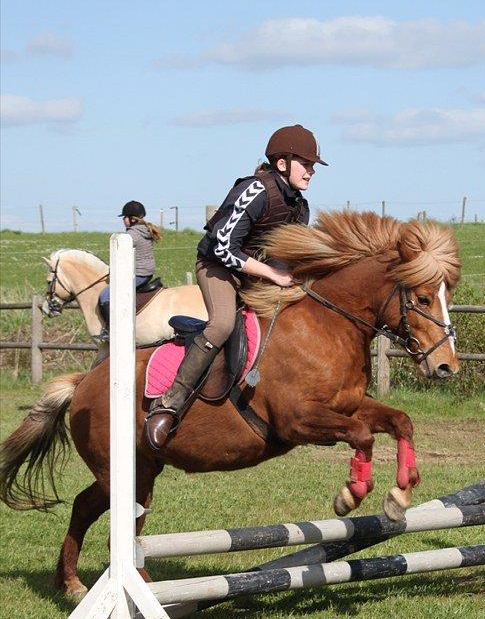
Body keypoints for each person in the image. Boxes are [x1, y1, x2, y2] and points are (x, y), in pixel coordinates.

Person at [144, 124, 327, 450]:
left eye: (313, 165)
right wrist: (272, 274)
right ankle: (170, 402)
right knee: (223, 323)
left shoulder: (300, 206)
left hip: (256, 275)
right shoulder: (255, 190)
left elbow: (288, 258)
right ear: (282, 163)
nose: (312, 171)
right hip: (217, 267)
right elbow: (221, 247)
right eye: (306, 163)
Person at [98, 200, 160, 335]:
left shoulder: (131, 235)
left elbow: (121, 259)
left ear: (131, 219)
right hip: (145, 272)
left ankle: (110, 330)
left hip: (139, 273)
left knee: (105, 296)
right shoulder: (143, 230)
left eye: (124, 217)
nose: (123, 220)